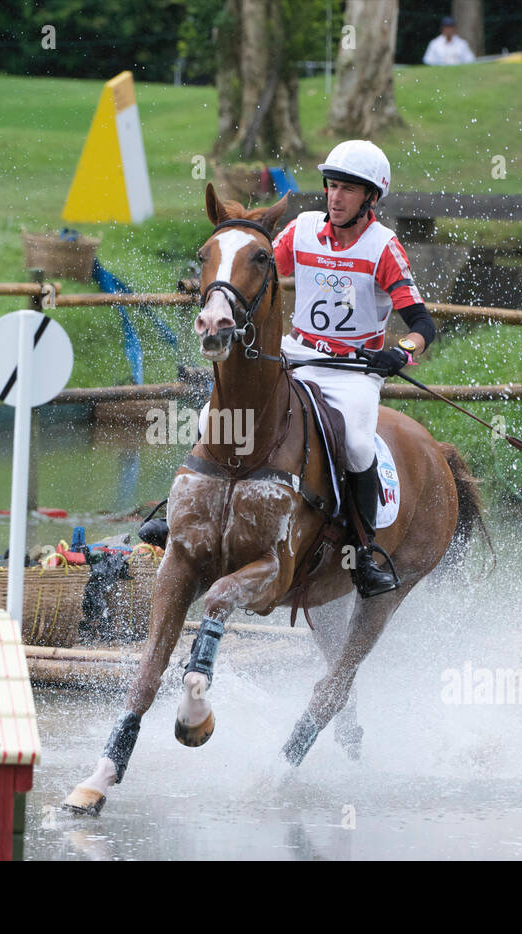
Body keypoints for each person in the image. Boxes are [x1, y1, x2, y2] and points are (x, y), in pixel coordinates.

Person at [142, 141, 437, 599]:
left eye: (347, 190)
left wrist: (400, 351)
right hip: (294, 354)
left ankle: (363, 551)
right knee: (211, 417)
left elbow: (421, 323)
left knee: (359, 446)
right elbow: (255, 269)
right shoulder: (300, 231)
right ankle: (176, 510)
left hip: (351, 371)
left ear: (371, 198)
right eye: (331, 187)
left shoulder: (384, 248)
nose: (335, 198)